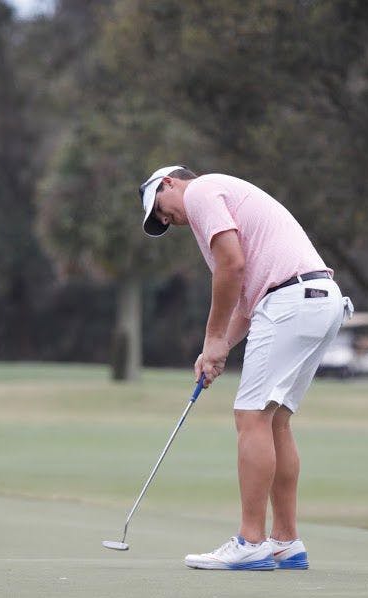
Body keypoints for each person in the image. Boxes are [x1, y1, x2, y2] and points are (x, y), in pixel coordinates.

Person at [138, 165, 352, 570]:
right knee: (275, 421)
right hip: (319, 300)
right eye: (158, 221)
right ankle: (285, 542)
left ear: (169, 183)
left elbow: (231, 267)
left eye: (159, 210)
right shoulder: (224, 198)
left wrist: (213, 338)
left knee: (250, 416)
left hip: (291, 301)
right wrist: (215, 349)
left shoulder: (201, 191)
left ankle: (250, 542)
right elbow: (247, 304)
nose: (165, 219)